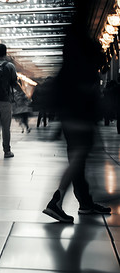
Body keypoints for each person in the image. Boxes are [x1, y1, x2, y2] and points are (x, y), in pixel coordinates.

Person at [42, 0, 111, 223]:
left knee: (78, 155)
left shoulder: (71, 36)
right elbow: (98, 61)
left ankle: (85, 203)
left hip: (70, 104)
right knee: (80, 154)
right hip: (79, 105)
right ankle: (57, 201)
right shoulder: (81, 37)